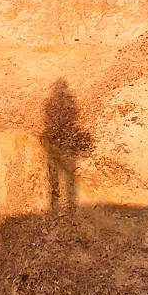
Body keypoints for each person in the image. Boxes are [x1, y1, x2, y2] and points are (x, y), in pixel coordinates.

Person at [40, 79, 92, 214]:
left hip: (56, 138)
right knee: (62, 176)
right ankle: (63, 202)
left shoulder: (50, 104)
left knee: (60, 175)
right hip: (57, 139)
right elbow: (75, 113)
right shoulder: (56, 104)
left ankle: (58, 202)